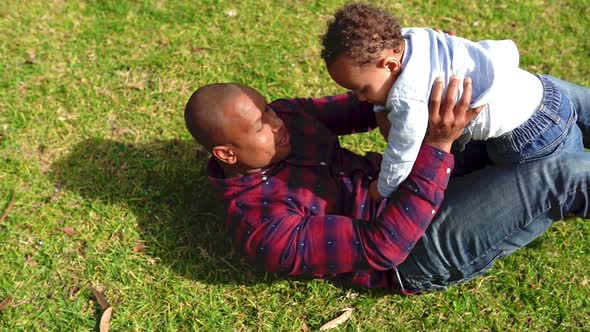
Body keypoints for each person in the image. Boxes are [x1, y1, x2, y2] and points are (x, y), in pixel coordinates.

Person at [184, 74, 590, 293]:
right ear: (226, 154)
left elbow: (362, 105)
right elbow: (384, 246)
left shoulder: (285, 121)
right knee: (562, 174)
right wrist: (438, 145)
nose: (277, 123)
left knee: (533, 94)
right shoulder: (262, 228)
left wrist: (429, 72)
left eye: (269, 110)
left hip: (414, 179)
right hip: (415, 252)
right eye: (260, 126)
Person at [320, 3, 585, 201]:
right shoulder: (413, 37)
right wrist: (378, 103)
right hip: (543, 93)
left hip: (527, 136)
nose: (360, 98)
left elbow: (402, 154)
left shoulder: (406, 99)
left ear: (390, 64)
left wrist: (381, 189)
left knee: (556, 185)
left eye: (362, 88)